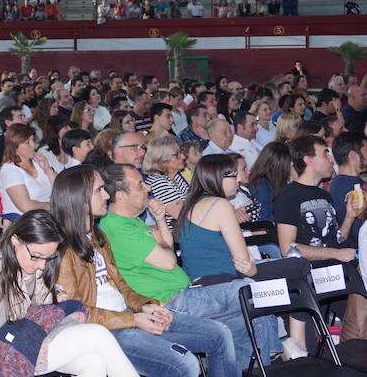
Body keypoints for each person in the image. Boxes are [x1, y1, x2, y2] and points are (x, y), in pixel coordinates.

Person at [52, 165, 238, 377]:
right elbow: (76, 312)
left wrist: (147, 306)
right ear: (80, 199)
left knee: (219, 334)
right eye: (99, 191)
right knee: (184, 365)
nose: (106, 195)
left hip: (129, 315)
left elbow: (121, 286)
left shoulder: (97, 237)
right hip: (107, 330)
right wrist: (133, 320)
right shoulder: (63, 249)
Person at [99, 163, 281, 374]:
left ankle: (256, 367)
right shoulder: (116, 227)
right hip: (170, 302)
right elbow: (169, 261)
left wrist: (160, 220)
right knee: (251, 290)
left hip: (184, 296)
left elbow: (167, 242)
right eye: (140, 185)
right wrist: (164, 246)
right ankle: (272, 354)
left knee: (244, 322)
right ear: (121, 196)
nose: (148, 188)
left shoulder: (132, 222)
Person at [0, 209, 139, 377]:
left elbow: (41, 304)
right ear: (15, 240)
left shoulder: (29, 261)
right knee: (98, 335)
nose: (42, 265)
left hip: (34, 335)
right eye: (36, 256)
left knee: (93, 363)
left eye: (47, 258)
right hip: (9, 352)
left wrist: (55, 295)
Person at [175, 155, 258, 281]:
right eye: (234, 175)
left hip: (198, 284)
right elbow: (244, 264)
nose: (239, 179)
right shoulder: (221, 205)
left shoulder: (191, 203)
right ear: (218, 178)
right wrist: (253, 269)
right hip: (223, 285)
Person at [276, 135, 357, 259]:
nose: (331, 160)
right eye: (325, 154)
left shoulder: (324, 195)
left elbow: (338, 240)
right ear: (309, 160)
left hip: (335, 270)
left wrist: (349, 217)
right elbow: (287, 248)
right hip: (311, 273)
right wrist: (337, 254)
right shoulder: (288, 196)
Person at [0, 123, 56, 216]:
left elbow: (60, 189)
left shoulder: (38, 161)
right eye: (27, 142)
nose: (33, 145)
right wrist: (54, 206)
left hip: (47, 216)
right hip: (25, 223)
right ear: (14, 145)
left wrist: (47, 169)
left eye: (33, 140)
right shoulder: (9, 171)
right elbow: (26, 206)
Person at [141, 134, 188, 230]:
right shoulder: (158, 182)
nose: (183, 157)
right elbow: (182, 215)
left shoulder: (175, 176)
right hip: (178, 236)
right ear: (162, 160)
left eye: (181, 152)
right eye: (177, 154)